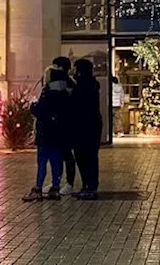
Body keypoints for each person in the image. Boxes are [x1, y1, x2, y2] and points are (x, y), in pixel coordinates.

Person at [25, 61, 74, 201]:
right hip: (58, 133)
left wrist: (32, 106)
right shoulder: (65, 93)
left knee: (42, 162)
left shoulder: (47, 94)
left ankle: (38, 189)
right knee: (56, 162)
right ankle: (55, 188)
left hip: (45, 133)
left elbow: (39, 111)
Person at [71, 58, 103, 199]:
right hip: (91, 126)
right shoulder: (91, 84)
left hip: (84, 126)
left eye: (76, 69)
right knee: (89, 157)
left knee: (84, 157)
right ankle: (89, 186)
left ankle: (89, 187)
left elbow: (77, 105)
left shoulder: (83, 86)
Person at [50, 56, 79, 194]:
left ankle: (69, 183)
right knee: (58, 155)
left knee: (66, 155)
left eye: (55, 66)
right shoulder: (56, 81)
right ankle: (56, 181)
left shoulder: (67, 83)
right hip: (57, 124)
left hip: (66, 124)